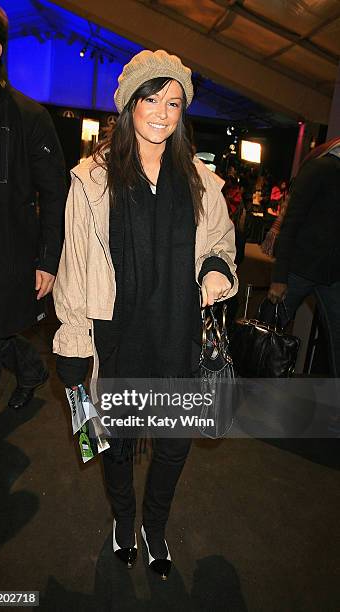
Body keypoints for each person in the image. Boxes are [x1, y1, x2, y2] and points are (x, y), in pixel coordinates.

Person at [53, 49, 238, 579]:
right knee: (116, 448)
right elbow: (73, 268)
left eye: (173, 102)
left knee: (174, 450)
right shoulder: (91, 180)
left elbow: (222, 239)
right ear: (129, 104)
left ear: (183, 113)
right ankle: (124, 519)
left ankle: (155, 527)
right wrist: (71, 351)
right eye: (150, 98)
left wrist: (217, 268)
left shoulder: (201, 182)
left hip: (179, 342)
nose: (161, 111)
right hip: (119, 341)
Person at [0, 1, 66, 444]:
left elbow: (55, 196)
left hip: (2, 262)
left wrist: (49, 259)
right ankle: (29, 367)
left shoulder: (28, 116)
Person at [268, 137, 340, 377]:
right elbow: (292, 222)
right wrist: (280, 277)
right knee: (265, 334)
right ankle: (234, 390)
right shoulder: (321, 168)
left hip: (333, 276)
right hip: (297, 270)